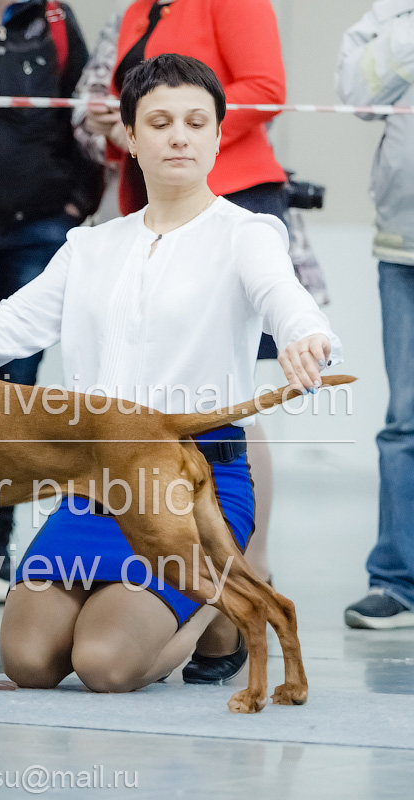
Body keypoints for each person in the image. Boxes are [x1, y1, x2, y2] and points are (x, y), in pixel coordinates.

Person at [0, 54, 343, 691]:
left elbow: (285, 295)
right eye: (160, 121)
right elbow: (0, 332)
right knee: (27, 661)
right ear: (130, 138)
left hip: (192, 490)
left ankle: (223, 598)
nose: (179, 135)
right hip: (95, 484)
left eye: (197, 122)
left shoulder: (249, 234)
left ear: (219, 135)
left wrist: (309, 336)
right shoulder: (89, 246)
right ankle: (184, 597)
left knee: (104, 665)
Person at [74, 0, 290, 682]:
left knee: (226, 394)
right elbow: (117, 99)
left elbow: (263, 91)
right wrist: (120, 124)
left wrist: (182, 131)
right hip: (151, 204)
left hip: (231, 197)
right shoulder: (139, 8)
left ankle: (241, 559)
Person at [0, 0, 102, 597]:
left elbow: (85, 113)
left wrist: (79, 201)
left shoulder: (52, 18)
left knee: (16, 399)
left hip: (42, 228)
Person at [336, 1, 414, 629]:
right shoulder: (393, 11)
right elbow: (356, 93)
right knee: (405, 420)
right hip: (404, 245)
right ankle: (397, 581)